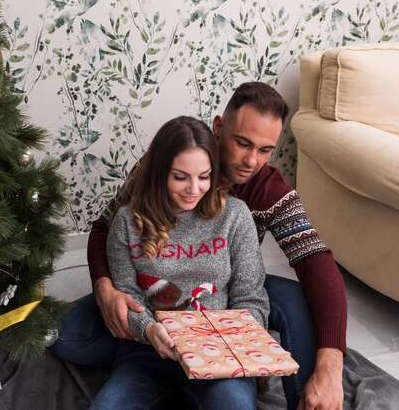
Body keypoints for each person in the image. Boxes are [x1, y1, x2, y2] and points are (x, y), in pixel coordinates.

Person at [53, 82, 348, 410]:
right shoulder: (165, 165)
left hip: (223, 296)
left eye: (265, 150)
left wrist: (329, 367)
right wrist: (108, 291)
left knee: (293, 300)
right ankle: (161, 364)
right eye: (242, 143)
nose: (252, 160)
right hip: (155, 308)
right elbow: (105, 230)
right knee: (67, 334)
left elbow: (315, 262)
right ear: (219, 127)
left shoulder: (263, 196)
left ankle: (304, 398)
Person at [90, 115, 269, 410]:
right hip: (148, 352)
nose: (194, 189)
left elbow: (252, 298)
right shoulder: (126, 221)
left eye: (204, 176)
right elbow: (128, 296)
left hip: (219, 354)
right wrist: (148, 330)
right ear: (160, 173)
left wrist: (235, 340)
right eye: (180, 177)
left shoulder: (235, 216)